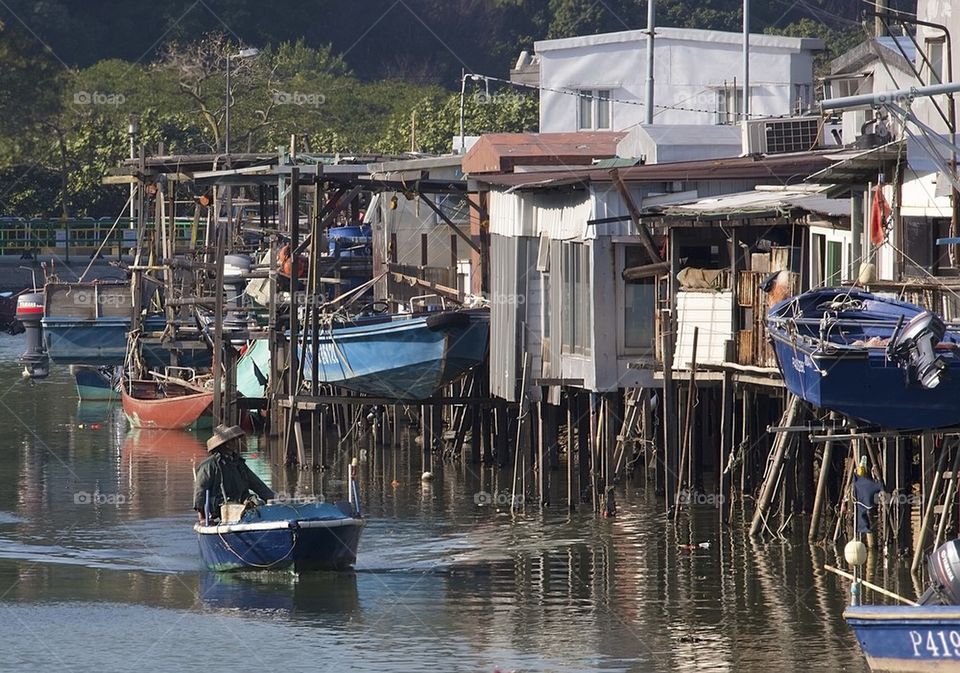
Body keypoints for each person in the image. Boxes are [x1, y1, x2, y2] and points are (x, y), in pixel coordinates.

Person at [193, 424, 274, 524]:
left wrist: (275, 500)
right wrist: (202, 519)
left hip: (242, 504)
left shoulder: (239, 463)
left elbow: (257, 485)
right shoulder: (210, 465)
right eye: (232, 440)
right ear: (225, 443)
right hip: (221, 508)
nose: (236, 442)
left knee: (258, 504)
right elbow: (200, 491)